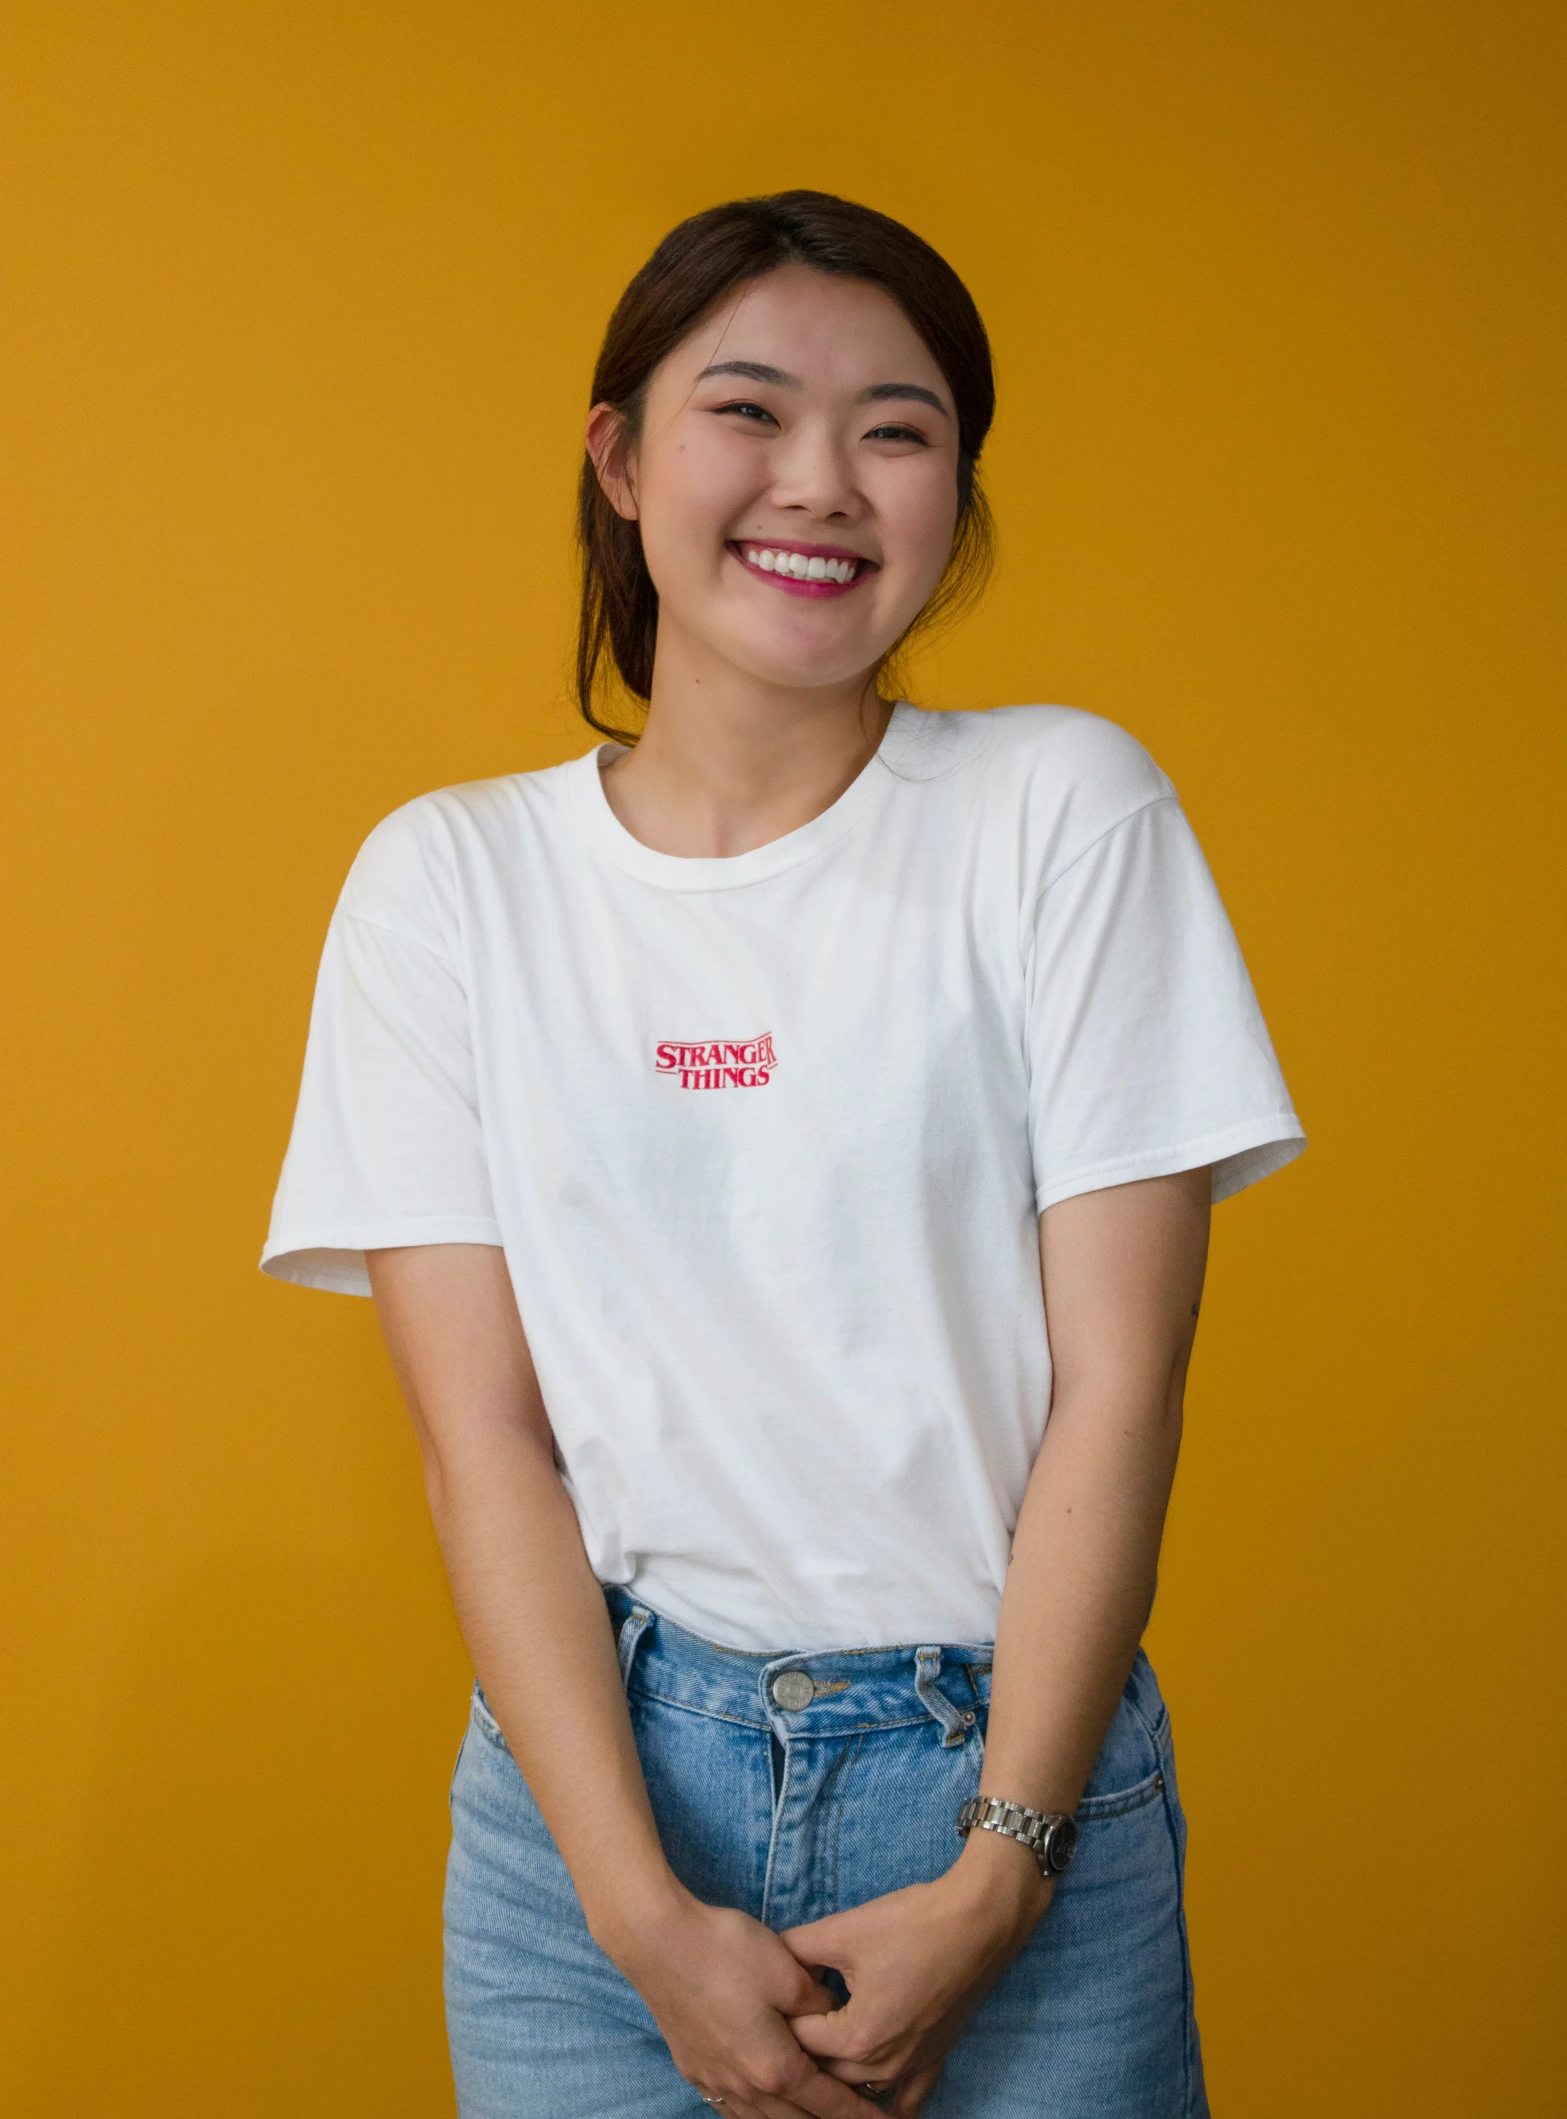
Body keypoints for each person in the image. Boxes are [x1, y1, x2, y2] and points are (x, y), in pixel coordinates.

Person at [262, 189, 1304, 2119]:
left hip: (1009, 1779)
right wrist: (637, 1912)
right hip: (590, 1810)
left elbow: (1121, 1381)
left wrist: (1003, 1871)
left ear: (953, 494)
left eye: (896, 431)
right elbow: (483, 1435)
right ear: (620, 457)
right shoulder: (449, 886)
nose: (819, 483)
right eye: (748, 410)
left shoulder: (1061, 813)